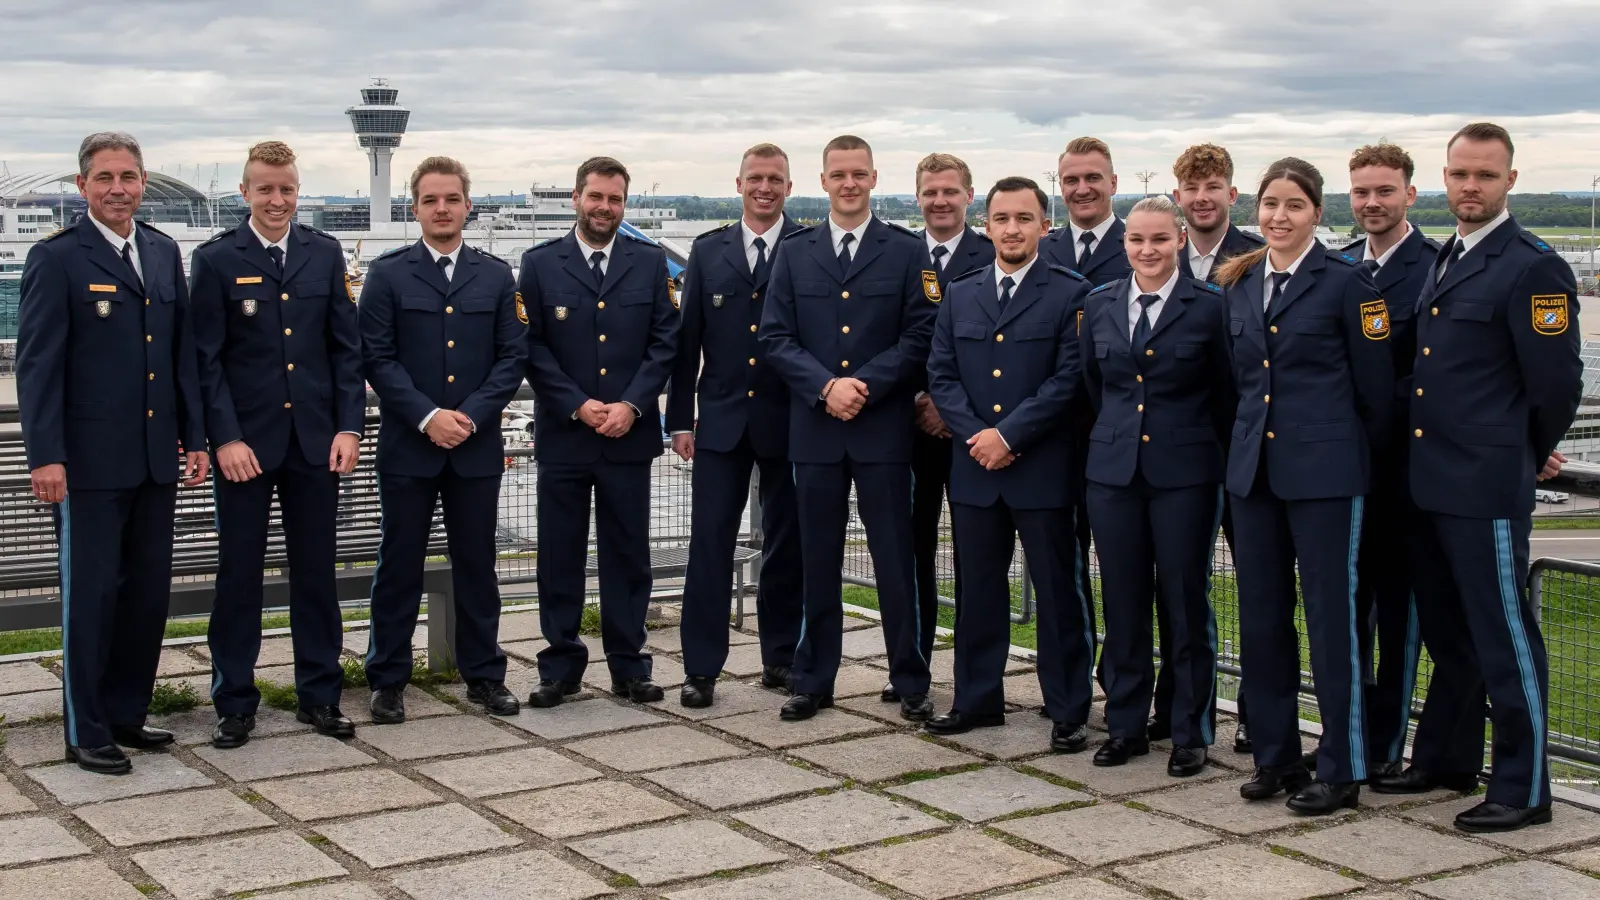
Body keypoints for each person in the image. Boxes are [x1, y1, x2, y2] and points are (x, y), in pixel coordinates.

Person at [1375, 123, 1581, 834]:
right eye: (1460, 174)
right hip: (1428, 482)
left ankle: (1524, 788)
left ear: (1510, 183)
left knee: (1504, 636)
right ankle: (1446, 758)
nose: (1471, 187)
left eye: (1485, 176)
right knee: (1448, 633)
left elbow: (1556, 383)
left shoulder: (1532, 266)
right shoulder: (1449, 255)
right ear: (1444, 177)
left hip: (1485, 484)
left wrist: (1523, 453)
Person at [17, 131, 209, 774]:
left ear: (144, 181)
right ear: (83, 187)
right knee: (91, 596)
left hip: (155, 456)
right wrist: (46, 456)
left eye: (128, 177)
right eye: (105, 178)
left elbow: (178, 356)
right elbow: (38, 367)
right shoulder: (58, 259)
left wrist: (195, 440)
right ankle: (85, 727)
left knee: (146, 594)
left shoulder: (159, 249)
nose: (118, 189)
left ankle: (127, 711)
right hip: (89, 464)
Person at [1214, 157, 1393, 814]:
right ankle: (1276, 754)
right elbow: (1237, 385)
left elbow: (1375, 397)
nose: (1279, 217)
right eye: (1269, 205)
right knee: (1262, 619)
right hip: (1253, 477)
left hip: (1324, 477)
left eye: (1293, 205)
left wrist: (1339, 460)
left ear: (1318, 212)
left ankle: (1341, 768)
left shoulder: (1350, 286)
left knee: (1330, 622)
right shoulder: (1240, 282)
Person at [190, 141, 365, 748]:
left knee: (316, 574)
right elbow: (205, 361)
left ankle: (320, 694)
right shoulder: (215, 261)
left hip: (315, 444)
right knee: (239, 577)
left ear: (298, 191)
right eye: (265, 189)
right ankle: (234, 701)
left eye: (286, 188)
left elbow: (345, 349)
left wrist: (349, 426)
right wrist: (225, 437)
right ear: (244, 193)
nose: (277, 199)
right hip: (246, 450)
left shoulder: (324, 252)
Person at [759, 134, 939, 722]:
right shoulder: (796, 250)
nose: (849, 183)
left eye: (859, 173)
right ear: (823, 180)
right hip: (814, 431)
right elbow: (775, 337)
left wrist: (863, 384)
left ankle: (909, 677)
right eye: (839, 174)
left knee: (895, 558)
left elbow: (920, 334)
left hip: (882, 430)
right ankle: (813, 680)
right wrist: (824, 387)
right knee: (817, 560)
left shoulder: (907, 250)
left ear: (874, 178)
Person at [922, 176, 1094, 752]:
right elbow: (941, 375)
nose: (1012, 229)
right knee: (977, 592)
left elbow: (1070, 379)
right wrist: (979, 437)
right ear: (986, 225)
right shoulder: (962, 291)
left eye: (1025, 219)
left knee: (1056, 591)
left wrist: (1010, 435)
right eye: (1002, 219)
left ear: (1046, 227)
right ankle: (976, 699)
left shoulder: (1072, 294)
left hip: (1041, 468)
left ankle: (1069, 708)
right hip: (975, 469)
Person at [359, 156, 527, 723]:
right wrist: (428, 416)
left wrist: (471, 417)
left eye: (451, 199)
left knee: (478, 565)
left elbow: (511, 359)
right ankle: (387, 678)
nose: (442, 209)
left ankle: (484, 675)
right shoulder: (388, 274)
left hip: (475, 449)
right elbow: (377, 359)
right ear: (415, 208)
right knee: (399, 564)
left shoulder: (495, 275)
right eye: (430, 200)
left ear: (467, 206)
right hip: (410, 447)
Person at [1079, 195, 1234, 776]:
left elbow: (1227, 392)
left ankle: (1190, 728)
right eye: (1137, 241)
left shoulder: (1210, 306)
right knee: (1122, 603)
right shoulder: (1098, 305)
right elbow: (1096, 386)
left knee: (1185, 601)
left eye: (1160, 240)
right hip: (1114, 475)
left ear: (1179, 241)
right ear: (1124, 245)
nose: (1148, 250)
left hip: (1185, 474)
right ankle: (1125, 725)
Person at [522, 156, 678, 707]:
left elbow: (665, 341)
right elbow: (531, 347)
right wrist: (576, 404)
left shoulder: (649, 260)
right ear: (576, 198)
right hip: (566, 436)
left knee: (629, 557)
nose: (604, 208)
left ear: (624, 204)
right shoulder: (539, 264)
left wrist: (634, 405)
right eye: (596, 197)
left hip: (627, 436)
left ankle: (629, 665)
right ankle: (560, 666)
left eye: (615, 200)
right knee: (559, 557)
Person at [667, 143, 804, 707]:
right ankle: (701, 668)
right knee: (709, 547)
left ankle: (781, 659)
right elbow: (686, 343)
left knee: (786, 546)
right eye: (755, 179)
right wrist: (678, 420)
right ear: (739, 184)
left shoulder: (807, 247)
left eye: (774, 179)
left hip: (791, 420)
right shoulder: (707, 251)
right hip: (720, 422)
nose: (764, 188)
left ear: (789, 187)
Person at [1340, 142, 1440, 778]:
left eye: (1384, 191)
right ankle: (1348, 736)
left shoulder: (1433, 267)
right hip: (1340, 467)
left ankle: (1385, 748)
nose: (1371, 203)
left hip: (1404, 470)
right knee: (1345, 609)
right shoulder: (1340, 265)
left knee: (1399, 614)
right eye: (1360, 193)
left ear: (1409, 193)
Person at [1163, 143, 1265, 751]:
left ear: (1232, 193)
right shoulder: (1156, 250)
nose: (1202, 197)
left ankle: (1258, 712)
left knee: (1256, 586)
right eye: (1191, 187)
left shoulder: (1256, 256)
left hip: (1243, 449)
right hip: (1175, 453)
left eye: (1214, 186)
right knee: (1177, 589)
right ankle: (1178, 710)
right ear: (1178, 195)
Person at [903, 152, 995, 704]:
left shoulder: (990, 255)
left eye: (950, 191)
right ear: (917, 196)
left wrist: (949, 407)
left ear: (969, 196)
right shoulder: (897, 255)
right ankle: (912, 667)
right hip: (908, 431)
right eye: (930, 192)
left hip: (970, 434)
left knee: (972, 559)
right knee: (911, 552)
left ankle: (971, 676)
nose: (940, 201)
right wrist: (919, 399)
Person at [1041, 137, 1130, 672]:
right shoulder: (1044, 247)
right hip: (1053, 436)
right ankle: (1070, 684)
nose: (1081, 189)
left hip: (1119, 434)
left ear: (1114, 183)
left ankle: (1126, 684)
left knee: (1126, 569)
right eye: (1071, 180)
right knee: (1060, 567)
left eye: (1093, 178)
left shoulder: (1141, 243)